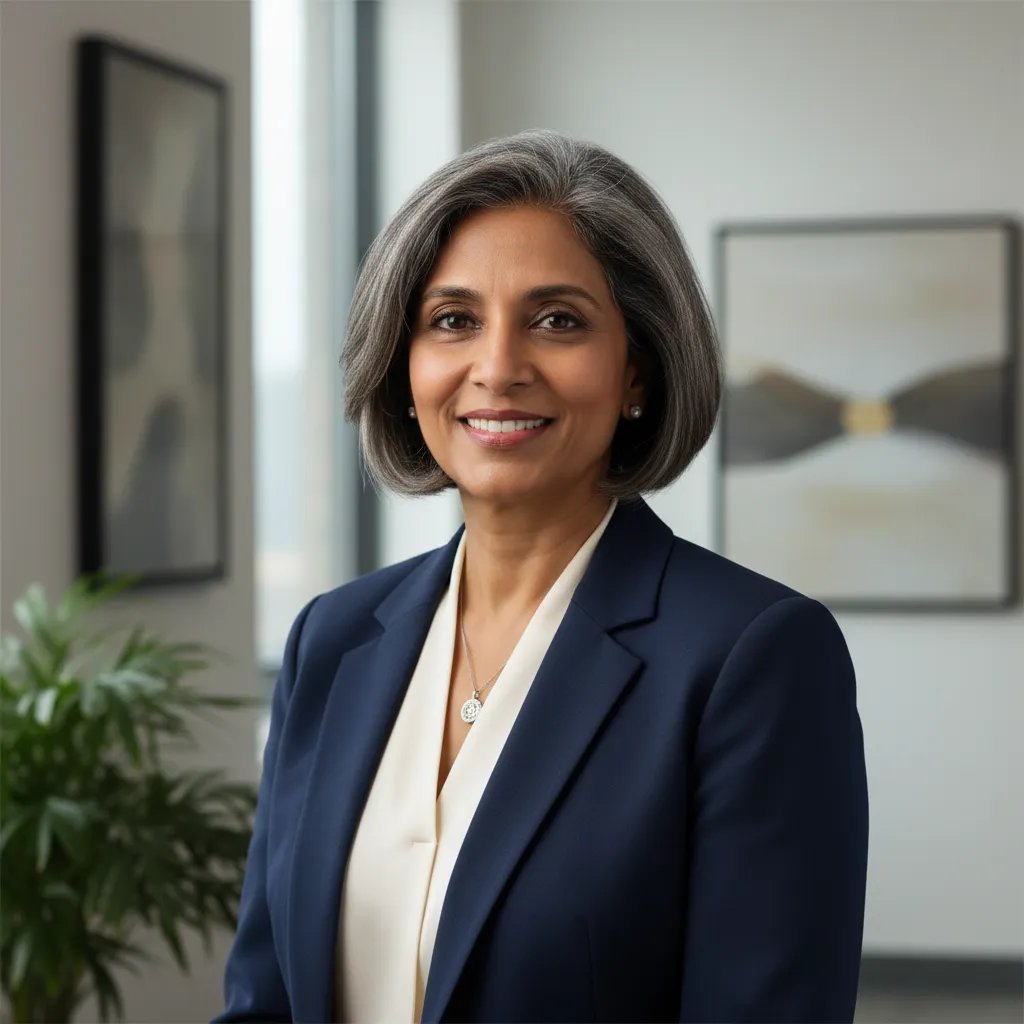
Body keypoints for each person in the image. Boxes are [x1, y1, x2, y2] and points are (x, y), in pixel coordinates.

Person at [217, 129, 869, 1024]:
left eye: (557, 320)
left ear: (635, 370)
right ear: (406, 370)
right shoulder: (331, 640)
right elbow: (263, 1002)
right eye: (453, 321)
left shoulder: (751, 660)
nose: (498, 368)